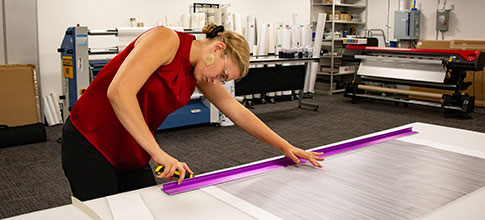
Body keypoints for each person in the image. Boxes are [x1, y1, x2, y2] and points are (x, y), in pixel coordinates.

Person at [61, 24, 324, 201]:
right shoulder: (165, 40)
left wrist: (284, 146)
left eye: (225, 80)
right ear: (217, 49)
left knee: (140, 209)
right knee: (101, 213)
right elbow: (118, 92)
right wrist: (159, 153)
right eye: (222, 74)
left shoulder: (198, 73)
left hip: (131, 145)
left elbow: (236, 110)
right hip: (90, 140)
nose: (217, 82)